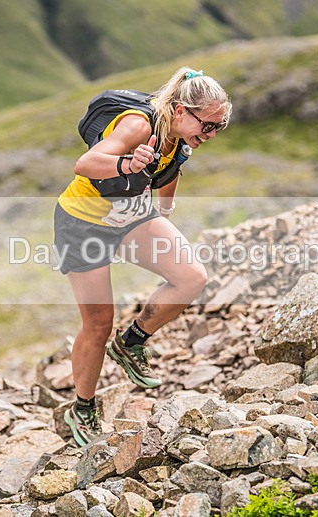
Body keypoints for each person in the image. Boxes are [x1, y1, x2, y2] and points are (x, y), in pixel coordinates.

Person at [54, 67, 232, 446]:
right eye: (209, 125)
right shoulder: (138, 125)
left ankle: (131, 342)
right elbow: (85, 165)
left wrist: (162, 218)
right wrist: (127, 165)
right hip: (83, 222)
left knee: (192, 277)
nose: (212, 135)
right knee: (98, 323)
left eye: (219, 127)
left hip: (130, 218)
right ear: (182, 111)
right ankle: (82, 408)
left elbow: (169, 173)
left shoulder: (180, 140)